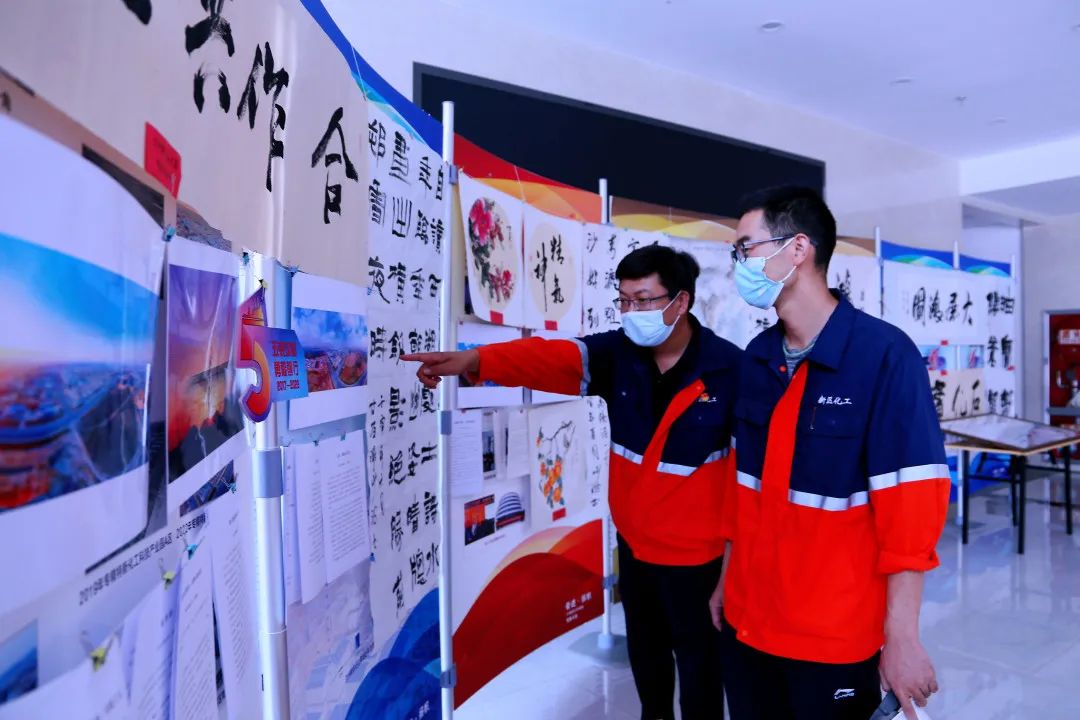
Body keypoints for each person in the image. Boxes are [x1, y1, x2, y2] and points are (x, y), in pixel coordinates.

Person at [404, 245, 741, 720]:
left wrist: (733, 567)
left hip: (698, 562)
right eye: (624, 301)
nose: (632, 313)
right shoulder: (618, 355)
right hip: (636, 551)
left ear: (680, 301)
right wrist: (474, 360)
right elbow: (550, 357)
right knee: (647, 661)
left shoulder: (730, 370)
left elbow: (748, 481)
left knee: (700, 669)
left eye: (644, 300)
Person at [710, 186, 950, 720]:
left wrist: (902, 638)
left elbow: (910, 515)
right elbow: (740, 488)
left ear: (797, 249)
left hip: (833, 635)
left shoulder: (884, 357)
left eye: (745, 248)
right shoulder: (758, 357)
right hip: (748, 621)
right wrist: (727, 579)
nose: (738, 264)